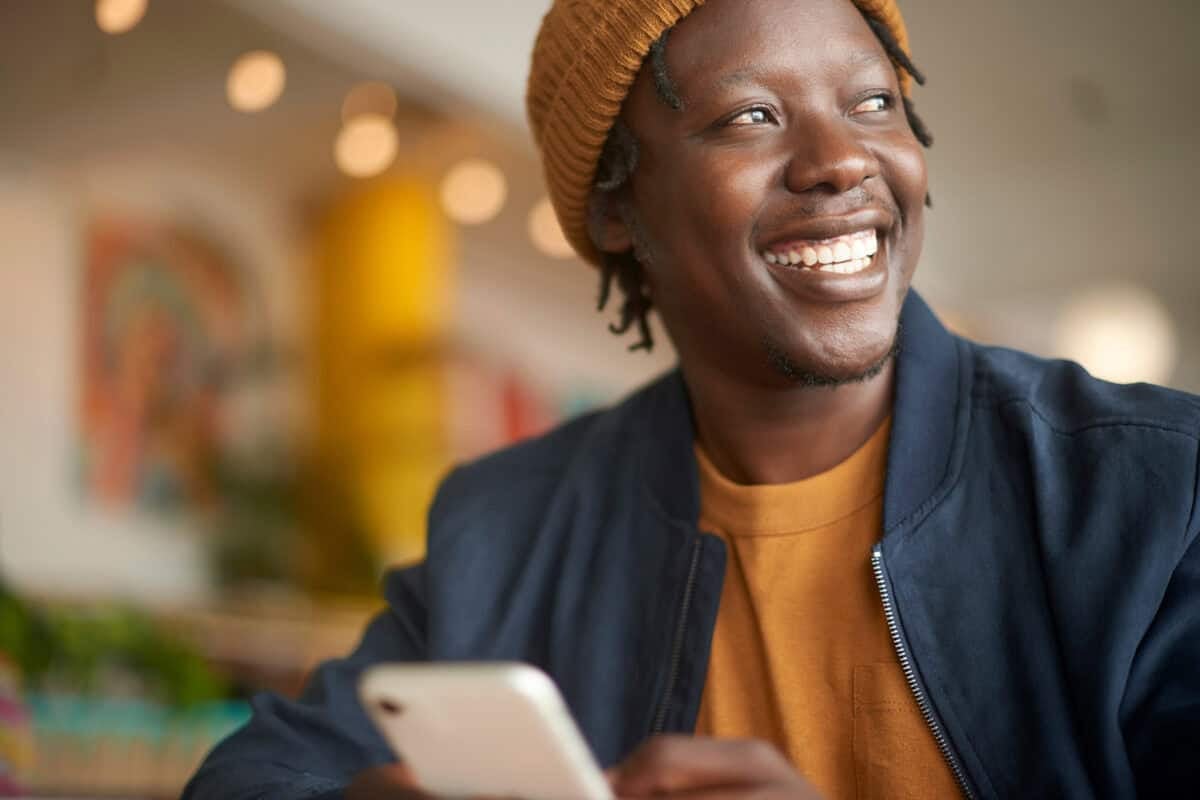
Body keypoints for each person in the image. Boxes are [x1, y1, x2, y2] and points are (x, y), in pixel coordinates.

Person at [184, 0, 1200, 797]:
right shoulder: (504, 528)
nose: (843, 159)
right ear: (620, 206)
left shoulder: (1150, 493)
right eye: (752, 115)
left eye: (874, 101)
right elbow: (250, 774)